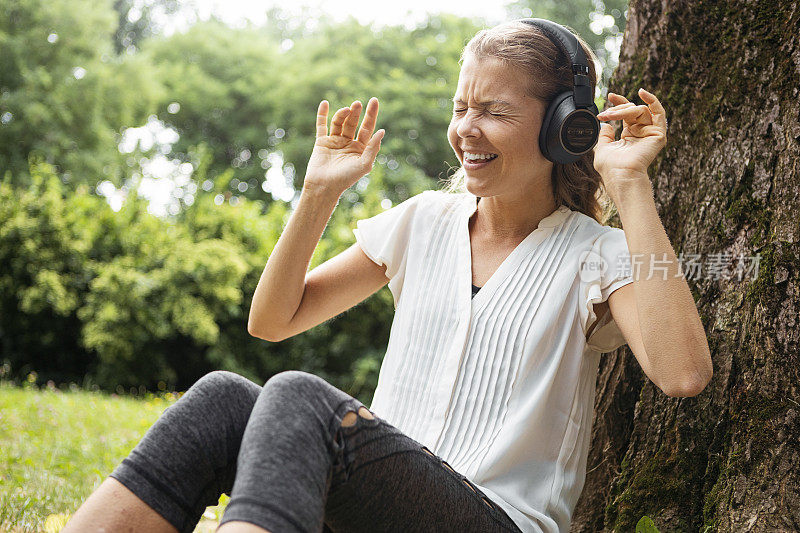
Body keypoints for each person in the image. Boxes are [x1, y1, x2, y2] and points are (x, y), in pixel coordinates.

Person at [64, 17, 711, 533]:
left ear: (561, 128)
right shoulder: (422, 223)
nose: (465, 129)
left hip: (495, 520)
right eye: (460, 107)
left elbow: (682, 373)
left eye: (492, 110)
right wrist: (318, 193)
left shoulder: (596, 254)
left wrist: (628, 185)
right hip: (381, 506)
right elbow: (273, 318)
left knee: (296, 395)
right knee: (222, 399)